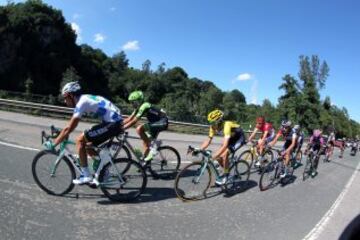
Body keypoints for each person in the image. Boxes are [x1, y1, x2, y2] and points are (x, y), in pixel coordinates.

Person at [43, 82, 123, 184]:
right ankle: (102, 169)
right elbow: (69, 127)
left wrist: (54, 144)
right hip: (113, 122)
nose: (64, 101)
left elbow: (69, 128)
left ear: (71, 95)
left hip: (112, 124)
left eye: (65, 97)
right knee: (87, 144)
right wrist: (62, 133)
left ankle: (86, 175)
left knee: (80, 140)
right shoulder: (84, 98)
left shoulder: (81, 103)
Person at [199, 109, 246, 185]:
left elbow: (225, 145)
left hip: (239, 138)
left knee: (224, 155)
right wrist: (200, 149)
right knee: (218, 157)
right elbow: (208, 140)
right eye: (210, 123)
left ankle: (226, 176)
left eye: (213, 123)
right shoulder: (213, 127)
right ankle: (227, 167)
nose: (211, 125)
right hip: (230, 138)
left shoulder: (227, 125)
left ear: (219, 121)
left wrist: (214, 156)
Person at [123, 91, 168, 166]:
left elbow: (134, 121)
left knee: (139, 128)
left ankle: (156, 144)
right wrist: (118, 125)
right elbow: (129, 119)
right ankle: (145, 163)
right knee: (146, 142)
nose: (132, 104)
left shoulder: (144, 105)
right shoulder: (138, 108)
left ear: (138, 101)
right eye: (131, 102)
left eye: (133, 102)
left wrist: (122, 128)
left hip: (162, 122)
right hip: (155, 124)